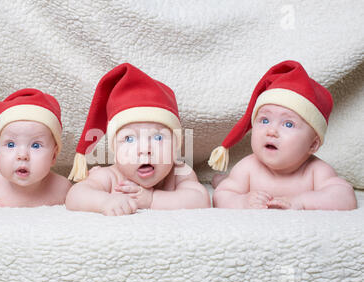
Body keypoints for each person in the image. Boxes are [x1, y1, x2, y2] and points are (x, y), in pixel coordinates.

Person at [209, 60, 357, 210]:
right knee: (228, 183)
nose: (271, 131)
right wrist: (242, 201)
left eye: (288, 124)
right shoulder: (248, 167)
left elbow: (345, 197)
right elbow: (222, 195)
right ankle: (222, 179)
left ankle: (223, 179)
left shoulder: (316, 171)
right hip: (238, 182)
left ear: (313, 145)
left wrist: (302, 202)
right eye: (265, 120)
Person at [65, 63, 210, 215]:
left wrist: (152, 199)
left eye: (158, 137)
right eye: (129, 139)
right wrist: (104, 201)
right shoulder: (110, 175)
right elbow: (74, 195)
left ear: (175, 145)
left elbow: (201, 199)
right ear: (115, 149)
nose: (144, 149)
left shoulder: (179, 172)